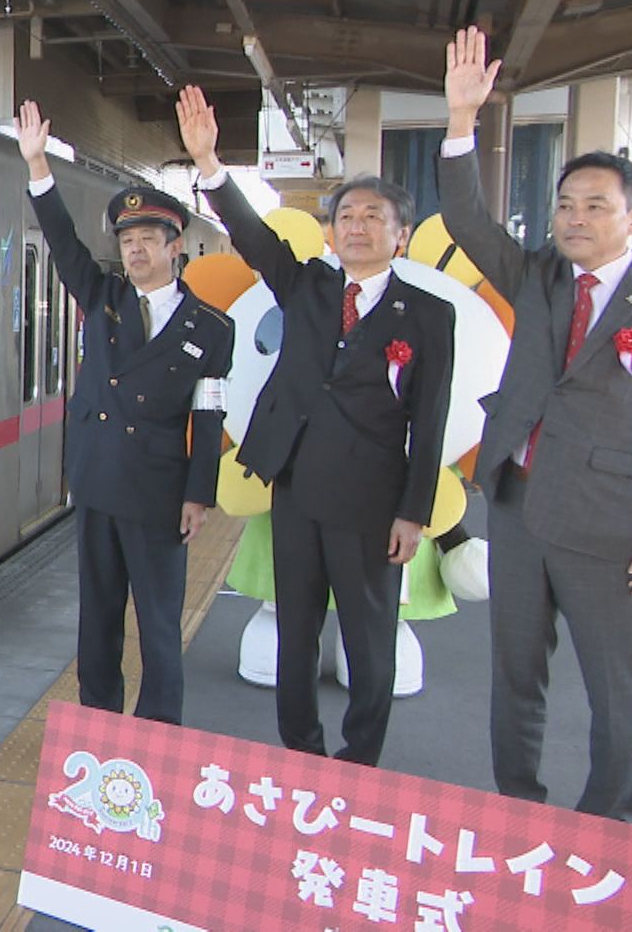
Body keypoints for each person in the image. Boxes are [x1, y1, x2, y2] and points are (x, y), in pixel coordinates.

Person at [440, 26, 632, 821]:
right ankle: (518, 806)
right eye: (565, 204)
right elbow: (468, 223)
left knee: (618, 686)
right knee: (516, 674)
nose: (575, 217)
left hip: (611, 524)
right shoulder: (539, 275)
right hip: (516, 507)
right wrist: (459, 123)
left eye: (595, 206)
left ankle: (607, 825)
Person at [177, 86, 455, 766]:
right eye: (347, 217)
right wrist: (211, 164)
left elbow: (432, 417)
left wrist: (413, 514)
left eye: (373, 217)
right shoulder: (307, 285)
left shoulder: (427, 314)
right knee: (295, 635)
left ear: (401, 233)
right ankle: (300, 751)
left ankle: (360, 760)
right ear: (330, 233)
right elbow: (251, 234)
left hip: (371, 504)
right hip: (296, 491)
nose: (357, 227)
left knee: (369, 641)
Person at [16, 100, 234, 725]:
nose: (135, 251)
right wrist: (38, 166)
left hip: (161, 492)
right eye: (128, 241)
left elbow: (210, 413)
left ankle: (159, 729)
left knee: (160, 622)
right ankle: (98, 722)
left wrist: (201, 494)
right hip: (99, 481)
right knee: (99, 615)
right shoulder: (104, 297)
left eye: (147, 240)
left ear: (176, 246)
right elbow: (62, 241)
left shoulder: (210, 328)